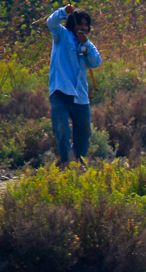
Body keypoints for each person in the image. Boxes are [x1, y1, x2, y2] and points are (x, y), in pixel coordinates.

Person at [46, 3, 101, 167]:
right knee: (62, 128)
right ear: (72, 24)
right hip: (60, 91)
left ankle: (80, 164)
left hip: (80, 96)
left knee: (83, 133)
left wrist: (86, 44)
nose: (83, 28)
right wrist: (64, 11)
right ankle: (65, 162)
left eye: (86, 25)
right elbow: (51, 22)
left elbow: (96, 62)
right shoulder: (61, 35)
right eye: (80, 24)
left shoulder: (86, 44)